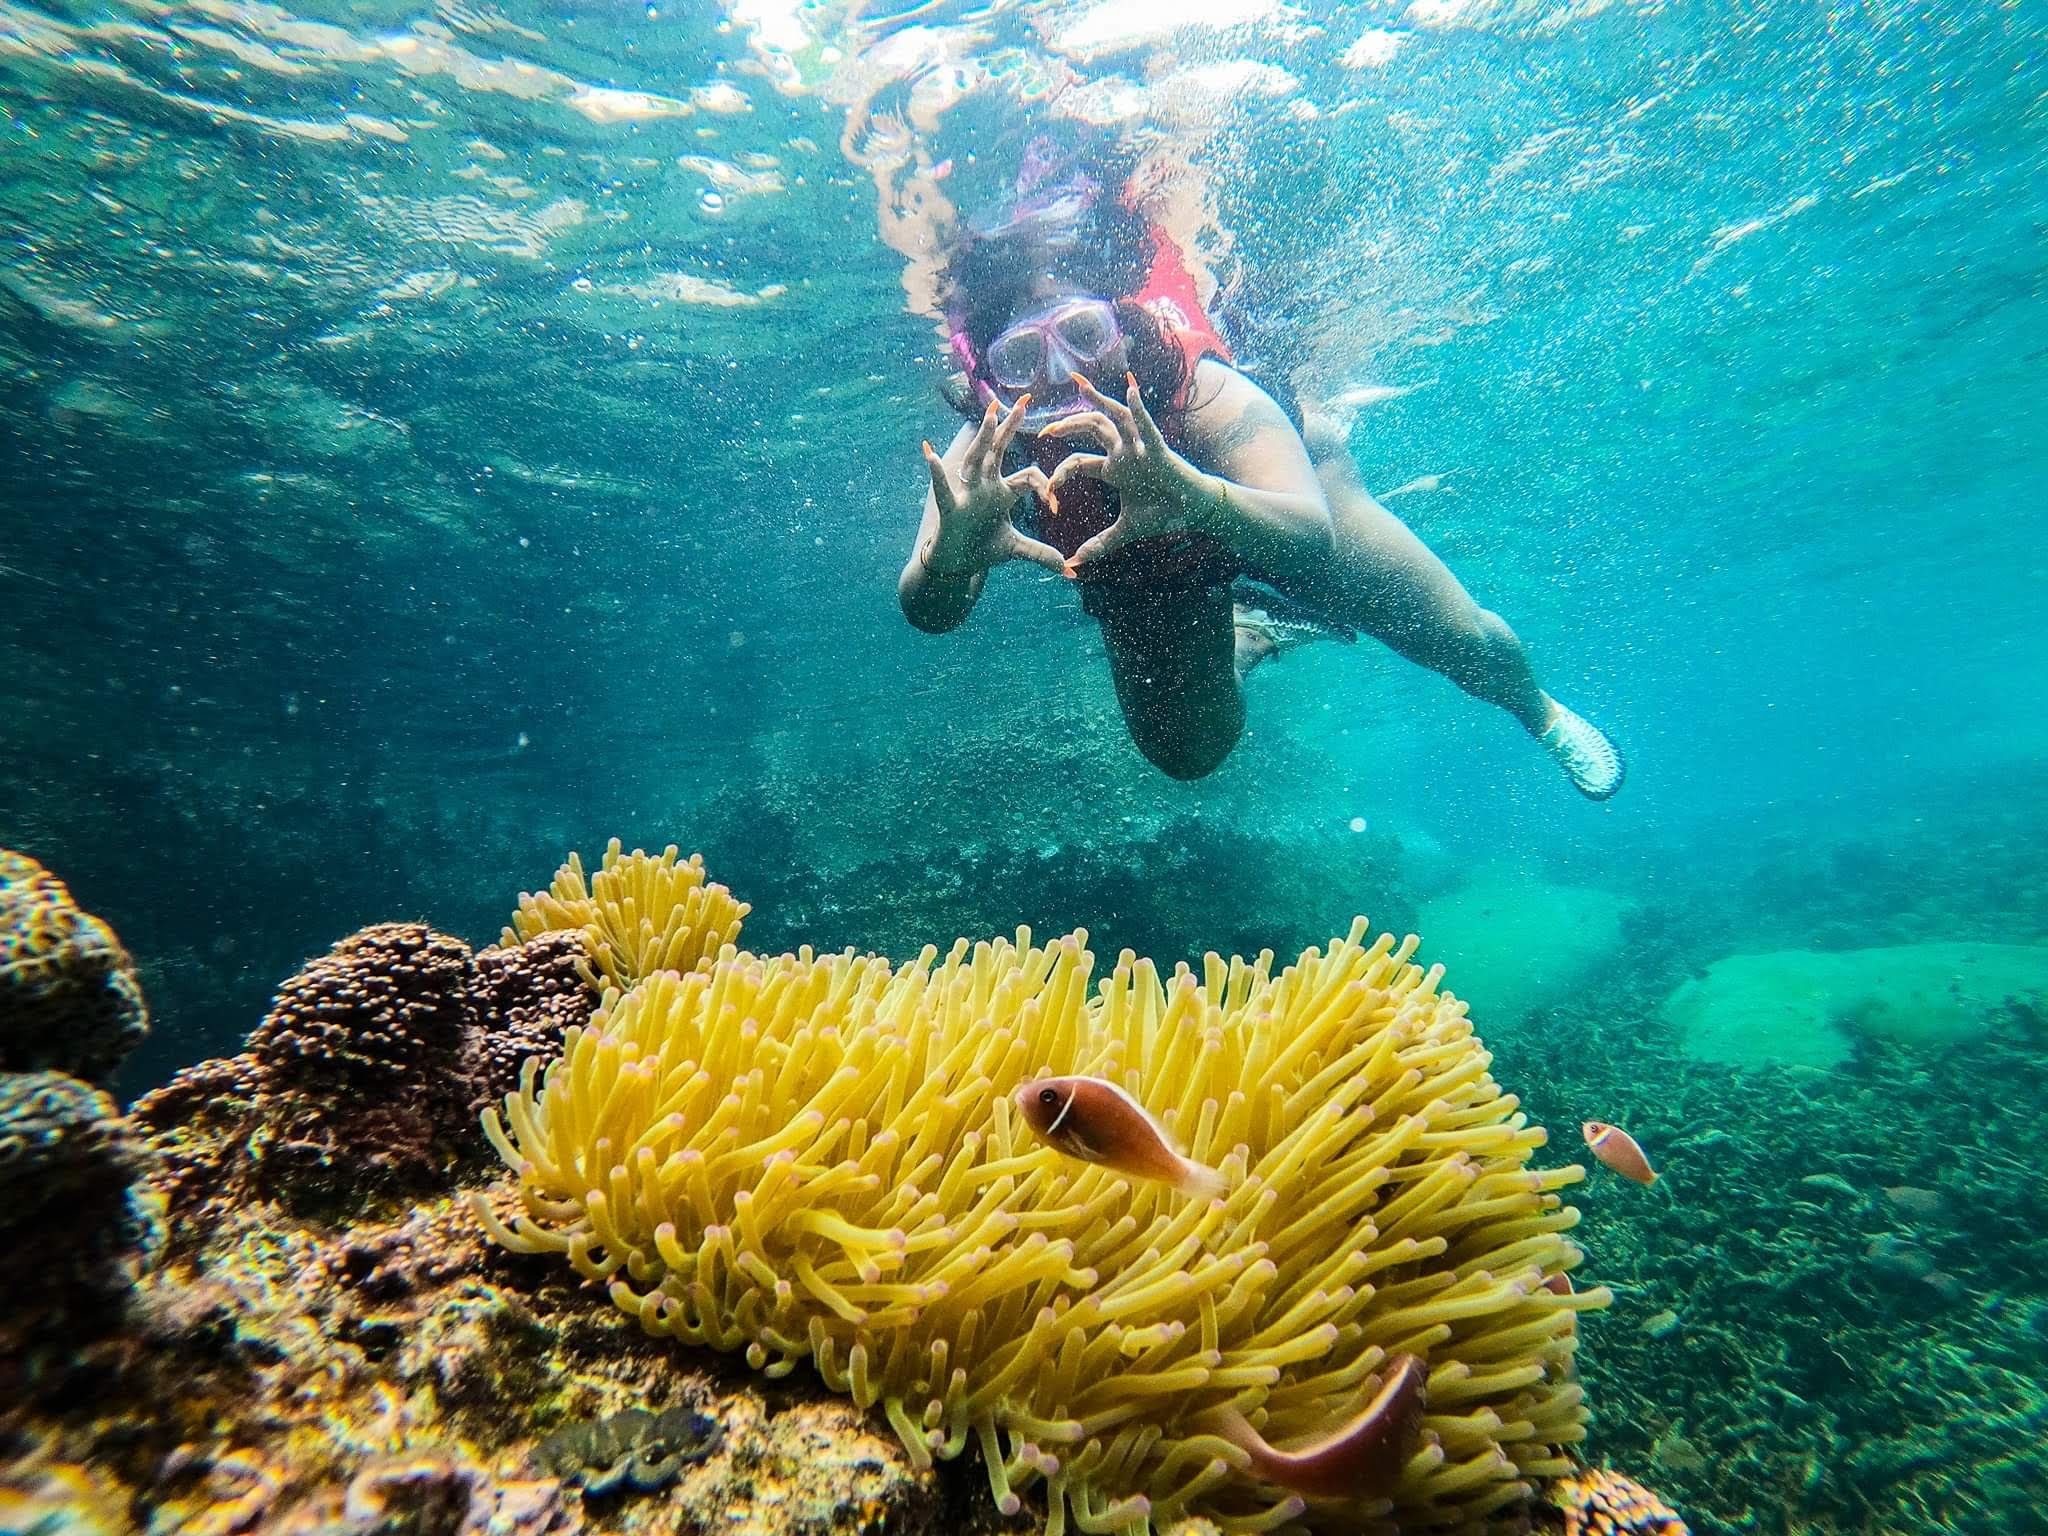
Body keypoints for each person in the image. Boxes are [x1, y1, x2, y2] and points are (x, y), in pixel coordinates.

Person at [896, 153, 1625, 799]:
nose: (1066, 372)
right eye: (1022, 358)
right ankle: (1250, 634)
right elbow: (928, 612)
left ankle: (1542, 713)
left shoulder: (1201, 391)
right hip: (1152, 564)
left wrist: (1190, 491)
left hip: (1281, 495)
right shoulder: (984, 451)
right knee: (1187, 754)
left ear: (1120, 321)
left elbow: (1308, 535)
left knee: (1466, 641)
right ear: (989, 372)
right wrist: (949, 558)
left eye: (1084, 334)